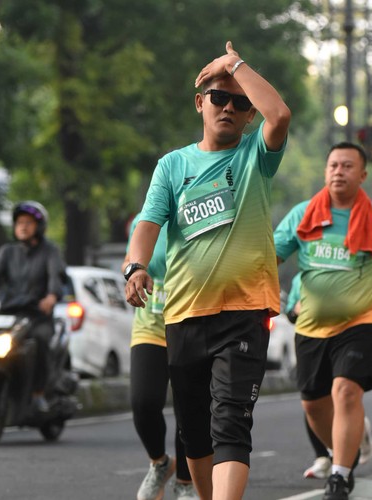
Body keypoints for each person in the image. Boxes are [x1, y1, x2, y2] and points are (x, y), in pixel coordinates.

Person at [122, 41, 291, 500]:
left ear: (249, 115)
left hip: (245, 312)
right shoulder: (173, 166)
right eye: (219, 97)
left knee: (231, 423)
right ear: (201, 103)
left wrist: (234, 65)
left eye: (240, 103)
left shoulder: (256, 155)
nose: (228, 108)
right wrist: (135, 267)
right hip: (184, 316)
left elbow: (279, 114)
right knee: (195, 433)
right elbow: (147, 225)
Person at [273, 142, 372, 500]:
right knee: (313, 403)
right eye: (333, 165)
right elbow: (270, 258)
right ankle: (348, 446)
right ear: (325, 171)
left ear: (362, 175)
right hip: (310, 325)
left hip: (360, 321)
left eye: (347, 166)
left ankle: (339, 474)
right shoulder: (303, 214)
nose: (339, 171)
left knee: (346, 391)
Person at [0, 201, 65, 412]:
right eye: (19, 223)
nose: (23, 227)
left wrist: (51, 296)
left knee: (39, 341)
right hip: (10, 316)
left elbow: (56, 277)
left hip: (37, 316)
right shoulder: (7, 251)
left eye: (28, 223)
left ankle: (38, 393)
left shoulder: (50, 251)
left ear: (39, 226)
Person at [128, 214, 198, 500]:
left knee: (188, 408)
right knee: (143, 403)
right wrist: (132, 274)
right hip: (151, 326)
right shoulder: (144, 220)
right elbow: (129, 260)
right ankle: (160, 463)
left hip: (192, 325)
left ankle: (185, 482)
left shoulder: (203, 212)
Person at [285, 273, 372, 480]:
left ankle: (349, 446)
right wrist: (296, 310)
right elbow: (290, 312)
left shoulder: (345, 272)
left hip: (343, 340)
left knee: (342, 394)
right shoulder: (299, 279)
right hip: (311, 340)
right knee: (313, 401)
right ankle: (323, 456)